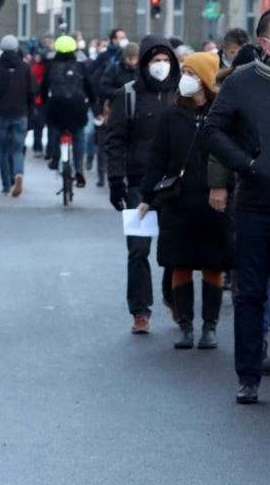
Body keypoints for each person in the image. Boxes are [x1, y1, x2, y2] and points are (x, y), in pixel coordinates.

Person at [202, 6, 270, 404]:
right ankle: (249, 376)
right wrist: (246, 163)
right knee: (251, 293)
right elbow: (213, 130)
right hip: (256, 204)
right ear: (264, 43)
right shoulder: (241, 82)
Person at [137, 52, 234, 350]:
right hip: (178, 202)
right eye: (185, 72)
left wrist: (226, 187)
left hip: (213, 202)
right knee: (179, 264)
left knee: (212, 265)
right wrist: (147, 196)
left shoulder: (223, 113)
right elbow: (158, 157)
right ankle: (185, 326)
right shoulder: (172, 114)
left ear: (206, 78)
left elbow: (230, 154)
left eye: (193, 73)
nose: (186, 78)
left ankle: (209, 327)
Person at [105, 34, 180, 335]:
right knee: (138, 250)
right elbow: (115, 140)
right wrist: (115, 180)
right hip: (140, 184)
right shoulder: (129, 94)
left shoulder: (181, 93)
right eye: (155, 60)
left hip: (176, 185)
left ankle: (173, 296)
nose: (160, 66)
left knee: (174, 250)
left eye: (165, 60)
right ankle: (140, 310)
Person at [0, 35, 37, 196]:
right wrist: (28, 108)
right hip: (20, 113)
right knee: (17, 149)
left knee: (3, 150)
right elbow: (33, 90)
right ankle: (18, 174)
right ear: (16, 48)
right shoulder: (25, 67)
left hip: (1, 113)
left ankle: (6, 184)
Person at [41, 35, 96, 187]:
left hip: (57, 107)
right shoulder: (80, 66)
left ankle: (55, 156)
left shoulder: (51, 66)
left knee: (54, 129)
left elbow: (44, 87)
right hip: (77, 108)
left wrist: (45, 102)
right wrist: (92, 101)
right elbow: (89, 86)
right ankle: (79, 169)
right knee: (78, 136)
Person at [94, 42, 139, 187]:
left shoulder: (141, 71)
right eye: (130, 58)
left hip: (136, 113)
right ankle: (103, 174)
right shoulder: (114, 69)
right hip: (115, 112)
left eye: (135, 58)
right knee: (108, 143)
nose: (133, 62)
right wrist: (121, 93)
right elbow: (103, 88)